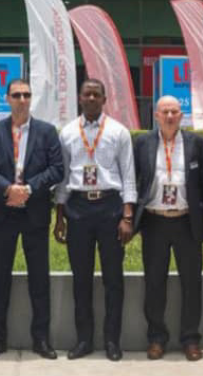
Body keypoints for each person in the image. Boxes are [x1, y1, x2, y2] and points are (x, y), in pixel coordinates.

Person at [0, 78, 64, 360]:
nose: (22, 100)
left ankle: (41, 339)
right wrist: (7, 188)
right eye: (16, 95)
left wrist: (28, 189)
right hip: (4, 213)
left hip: (34, 214)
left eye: (26, 95)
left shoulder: (47, 132)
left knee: (39, 279)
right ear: (7, 99)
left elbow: (57, 169)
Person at [54, 79, 136, 362]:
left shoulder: (118, 131)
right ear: (79, 98)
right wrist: (60, 217)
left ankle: (112, 340)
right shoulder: (67, 133)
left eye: (96, 94)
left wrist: (127, 216)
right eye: (87, 94)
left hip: (110, 207)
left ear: (104, 99)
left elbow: (128, 175)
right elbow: (63, 178)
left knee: (113, 278)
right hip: (77, 208)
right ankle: (84, 340)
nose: (91, 98)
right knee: (81, 279)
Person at [132, 96, 203, 361]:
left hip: (187, 221)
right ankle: (156, 338)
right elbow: (135, 180)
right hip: (154, 221)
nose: (170, 116)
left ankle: (191, 339)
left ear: (181, 115)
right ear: (156, 115)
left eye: (174, 111)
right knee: (154, 282)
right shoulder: (143, 143)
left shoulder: (197, 143)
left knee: (192, 282)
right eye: (165, 112)